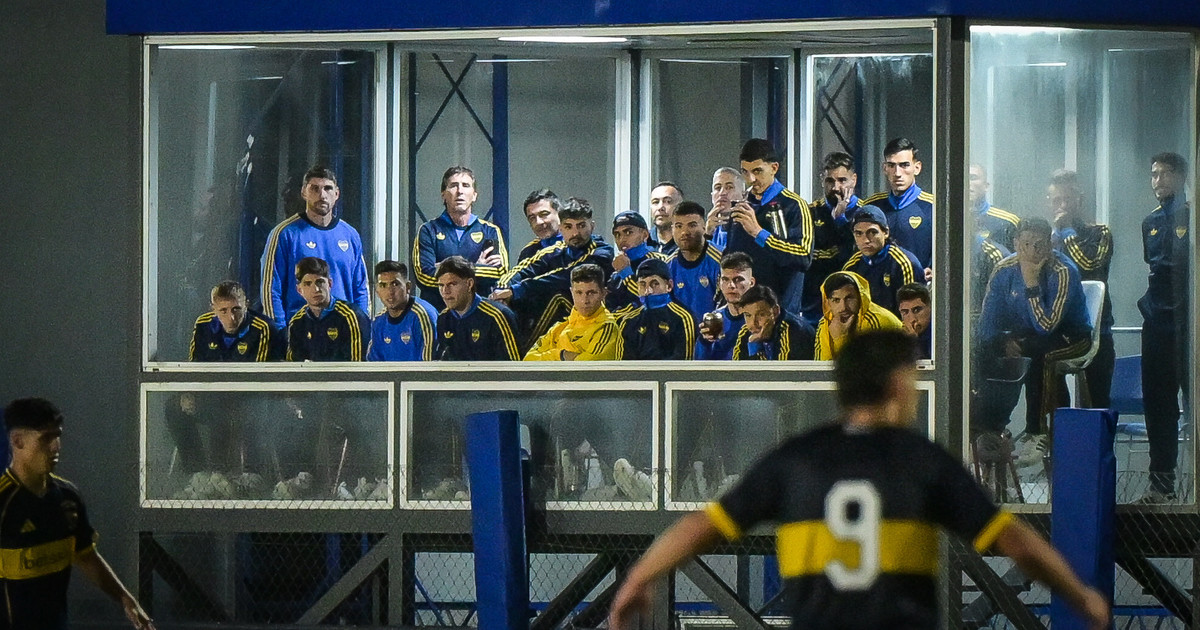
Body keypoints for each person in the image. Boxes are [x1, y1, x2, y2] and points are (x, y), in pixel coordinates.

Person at [608, 331, 1110, 630]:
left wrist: (639, 577)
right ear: (896, 384)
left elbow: (702, 526)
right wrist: (1078, 593)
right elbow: (1014, 540)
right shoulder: (922, 461)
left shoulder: (795, 459)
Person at [1, 398, 156, 630]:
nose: (56, 447)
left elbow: (85, 555)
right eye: (46, 438)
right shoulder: (4, 503)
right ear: (17, 441)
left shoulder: (68, 497)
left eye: (58, 436)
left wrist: (125, 598)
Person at [976, 218, 1091, 466]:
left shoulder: (1063, 271)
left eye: (1039, 244)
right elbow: (987, 324)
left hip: (1071, 336)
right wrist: (1003, 341)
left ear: (1050, 245)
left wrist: (1031, 283)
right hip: (1025, 336)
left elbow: (1046, 327)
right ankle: (990, 426)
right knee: (982, 351)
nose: (1032, 251)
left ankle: (1037, 431)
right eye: (1026, 244)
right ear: (1016, 243)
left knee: (1040, 355)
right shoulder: (1003, 270)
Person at [1137, 152, 1191, 503]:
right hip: (1158, 323)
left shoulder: (1191, 215)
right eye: (1154, 174)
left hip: (1190, 324)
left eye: (1166, 173)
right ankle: (1161, 486)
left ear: (1182, 177)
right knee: (1159, 405)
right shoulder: (1151, 222)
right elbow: (1155, 268)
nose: (1158, 181)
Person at [260, 166, 370, 329]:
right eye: (315, 188)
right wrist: (279, 332)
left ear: (337, 194)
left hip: (344, 330)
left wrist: (363, 327)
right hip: (301, 331)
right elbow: (271, 289)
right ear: (304, 192)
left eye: (328, 188)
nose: (322, 195)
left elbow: (361, 288)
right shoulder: (284, 234)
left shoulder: (350, 235)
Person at [495, 197, 615, 348]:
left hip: (595, 319)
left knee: (558, 296)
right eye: (568, 227)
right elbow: (522, 270)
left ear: (592, 226)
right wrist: (501, 291)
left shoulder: (602, 252)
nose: (575, 233)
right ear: (561, 228)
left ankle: (525, 352)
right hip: (562, 323)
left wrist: (517, 290)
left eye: (581, 226)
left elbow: (567, 276)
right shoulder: (555, 250)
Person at [1047, 169, 1114, 409]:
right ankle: (1058, 430)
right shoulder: (1045, 240)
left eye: (1068, 199)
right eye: (1057, 200)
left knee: (1097, 402)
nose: (1063, 206)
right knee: (1051, 394)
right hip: (1057, 330)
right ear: (1049, 203)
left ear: (1080, 200)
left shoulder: (1099, 232)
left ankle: (1099, 436)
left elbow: (1090, 266)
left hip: (1097, 330)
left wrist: (1067, 232)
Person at [724, 138, 814, 316]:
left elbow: (803, 256)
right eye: (745, 172)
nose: (751, 179)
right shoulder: (741, 205)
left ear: (774, 168)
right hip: (744, 313)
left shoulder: (794, 205)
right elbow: (731, 256)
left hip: (781, 311)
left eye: (757, 171)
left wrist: (758, 233)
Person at [412, 166, 509, 310]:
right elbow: (424, 276)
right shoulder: (428, 230)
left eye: (466, 185)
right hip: (439, 314)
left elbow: (500, 273)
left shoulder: (490, 231)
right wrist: (476, 268)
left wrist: (445, 268)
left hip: (479, 312)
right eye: (453, 185)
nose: (460, 191)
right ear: (443, 195)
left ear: (474, 195)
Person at [801, 152, 859, 325]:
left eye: (842, 180)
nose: (835, 187)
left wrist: (841, 220)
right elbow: (805, 258)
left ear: (854, 180)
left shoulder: (866, 214)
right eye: (829, 181)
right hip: (814, 307)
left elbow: (854, 256)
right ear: (822, 180)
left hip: (851, 307)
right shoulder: (809, 213)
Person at [862, 138, 934, 274]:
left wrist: (933, 270)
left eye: (904, 165)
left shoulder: (932, 208)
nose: (897, 173)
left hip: (917, 284)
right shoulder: (872, 206)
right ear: (885, 168)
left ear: (917, 168)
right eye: (891, 165)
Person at [524, 264, 620, 361]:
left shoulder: (606, 328)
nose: (584, 300)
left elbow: (587, 367)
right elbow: (528, 360)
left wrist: (550, 358)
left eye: (591, 293)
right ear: (571, 292)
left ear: (603, 293)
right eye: (579, 293)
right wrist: (561, 355)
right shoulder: (559, 328)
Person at [842, 206, 924, 317]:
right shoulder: (851, 267)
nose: (866, 240)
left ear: (886, 232)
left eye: (872, 232)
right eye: (859, 234)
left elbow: (912, 313)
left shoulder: (903, 264)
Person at [286, 257, 370, 361]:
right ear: (299, 290)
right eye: (308, 284)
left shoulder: (350, 316)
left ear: (330, 284)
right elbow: (293, 365)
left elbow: (358, 365)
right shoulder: (297, 322)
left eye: (320, 282)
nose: (316, 289)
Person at [436, 256, 520, 361]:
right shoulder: (443, 318)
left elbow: (513, 366)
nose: (445, 291)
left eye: (452, 284)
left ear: (469, 284)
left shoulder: (497, 316)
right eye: (441, 285)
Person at [615, 259, 695, 360]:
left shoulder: (683, 318)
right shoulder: (628, 321)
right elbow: (623, 364)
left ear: (669, 286)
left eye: (655, 284)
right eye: (643, 284)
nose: (648, 291)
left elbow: (684, 362)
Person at [813, 271, 903, 360]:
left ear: (860, 297)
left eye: (849, 298)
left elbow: (866, 367)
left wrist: (840, 338)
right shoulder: (824, 324)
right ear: (828, 302)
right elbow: (820, 365)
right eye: (836, 300)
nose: (843, 307)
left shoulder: (878, 321)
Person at [367, 260, 438, 361]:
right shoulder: (378, 321)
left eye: (395, 284)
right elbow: (373, 363)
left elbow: (429, 365)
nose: (390, 291)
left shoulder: (423, 315)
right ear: (377, 292)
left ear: (408, 287)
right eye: (383, 285)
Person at [189, 281, 277, 361]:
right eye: (223, 311)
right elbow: (194, 366)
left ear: (246, 305)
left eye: (236, 309)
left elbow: (259, 371)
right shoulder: (203, 325)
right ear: (213, 309)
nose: (231, 318)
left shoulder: (262, 329)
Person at [667, 201, 723, 323]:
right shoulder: (668, 266)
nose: (684, 232)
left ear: (704, 227)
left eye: (692, 225)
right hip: (681, 332)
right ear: (672, 229)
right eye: (679, 226)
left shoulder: (721, 260)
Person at [606, 211, 668, 319]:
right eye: (617, 235)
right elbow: (609, 311)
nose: (622, 239)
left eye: (628, 232)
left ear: (645, 234)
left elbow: (655, 301)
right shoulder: (616, 271)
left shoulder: (661, 261)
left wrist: (626, 273)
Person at [696, 252, 756, 361]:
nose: (731, 285)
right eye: (725, 280)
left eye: (738, 280)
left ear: (751, 283)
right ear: (719, 283)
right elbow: (700, 364)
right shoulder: (714, 320)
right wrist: (705, 342)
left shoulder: (761, 318)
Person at [731, 285, 814, 360]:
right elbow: (736, 369)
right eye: (748, 315)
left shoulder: (794, 331)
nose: (753, 323)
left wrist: (754, 346)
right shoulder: (746, 333)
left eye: (761, 315)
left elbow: (782, 370)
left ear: (775, 312)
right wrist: (753, 345)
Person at [970, 164, 1020, 250]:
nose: (967, 182)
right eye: (963, 178)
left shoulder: (1007, 223)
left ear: (986, 186)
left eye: (973, 178)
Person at [705, 166, 746, 250]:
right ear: (712, 195)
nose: (722, 193)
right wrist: (708, 235)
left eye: (729, 187)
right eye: (717, 188)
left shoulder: (753, 229)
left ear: (744, 196)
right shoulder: (705, 232)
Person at [517, 189, 562, 263]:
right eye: (532, 218)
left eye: (544, 214)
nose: (538, 222)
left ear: (560, 214)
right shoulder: (528, 254)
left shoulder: (577, 246)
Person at [897, 282, 932, 360]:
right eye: (905, 312)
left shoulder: (938, 333)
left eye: (917, 310)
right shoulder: (899, 335)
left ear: (930, 307)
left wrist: (913, 342)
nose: (912, 319)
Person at [649, 181, 683, 255]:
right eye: (655, 202)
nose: (660, 207)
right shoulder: (642, 242)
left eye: (668, 201)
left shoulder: (689, 242)